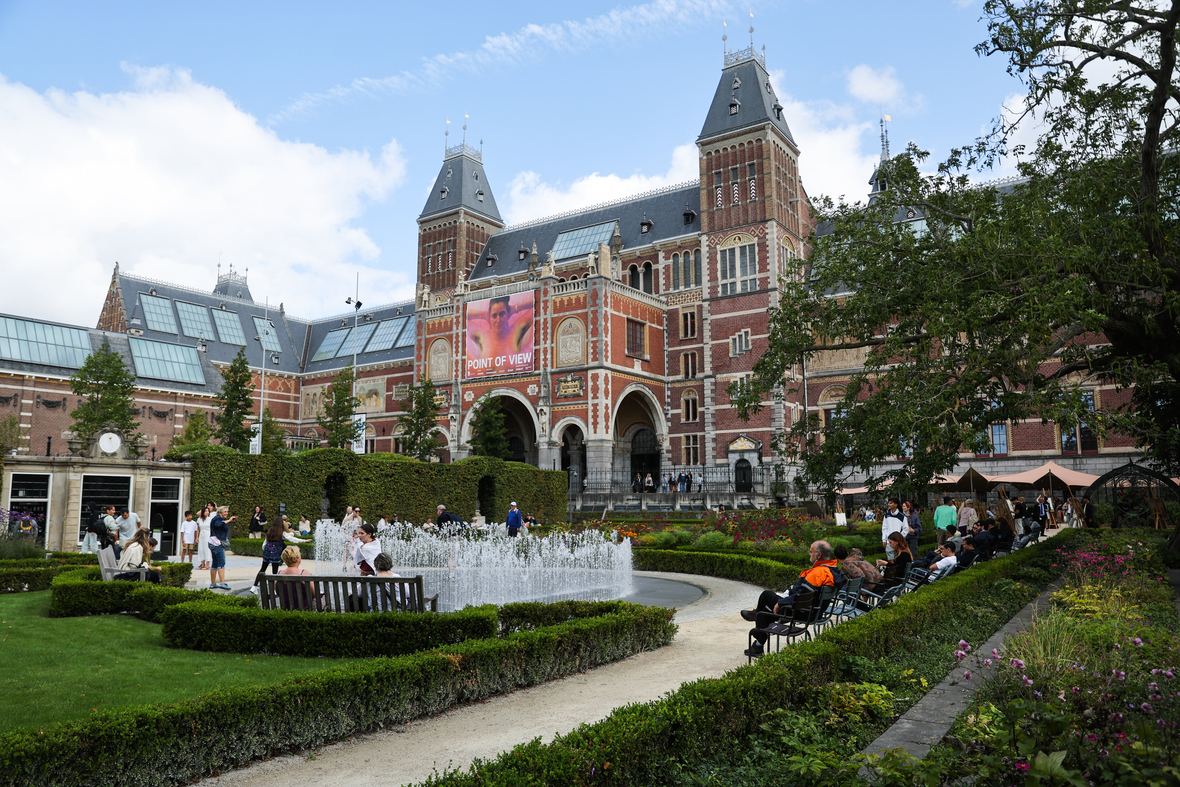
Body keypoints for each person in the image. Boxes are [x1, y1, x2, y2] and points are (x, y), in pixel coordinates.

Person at [739, 540, 844, 657]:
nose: (809, 553)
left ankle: (756, 615)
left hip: (803, 612)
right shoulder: (833, 570)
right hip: (814, 611)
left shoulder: (818, 573)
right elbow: (804, 595)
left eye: (811, 551)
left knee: (766, 595)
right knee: (765, 614)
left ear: (818, 555)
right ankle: (757, 646)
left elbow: (802, 597)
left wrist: (781, 603)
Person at [276, 545, 319, 610]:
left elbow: (278, 593)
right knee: (323, 598)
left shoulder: (279, 574)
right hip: (304, 608)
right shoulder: (304, 573)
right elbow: (315, 594)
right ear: (297, 558)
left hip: (287, 608)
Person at [208, 505, 235, 590]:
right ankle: (222, 583)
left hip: (212, 542)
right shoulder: (217, 519)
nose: (226, 513)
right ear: (220, 512)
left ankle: (213, 583)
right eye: (225, 512)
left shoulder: (218, 518)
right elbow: (218, 525)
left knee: (215, 563)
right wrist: (229, 520)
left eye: (227, 512)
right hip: (217, 543)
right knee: (221, 562)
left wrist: (228, 521)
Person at [254, 520, 287, 589]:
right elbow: (292, 539)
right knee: (275, 572)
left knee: (262, 569)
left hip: (267, 554)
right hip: (275, 555)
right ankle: (274, 589)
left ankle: (254, 586)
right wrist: (304, 541)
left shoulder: (269, 532)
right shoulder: (281, 533)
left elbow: (264, 545)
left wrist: (266, 552)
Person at [196, 503, 214, 571]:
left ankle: (207, 565)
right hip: (201, 535)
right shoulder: (199, 519)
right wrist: (197, 537)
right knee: (201, 549)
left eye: (208, 511)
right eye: (206, 511)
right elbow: (198, 529)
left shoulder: (210, 519)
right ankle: (202, 564)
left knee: (207, 549)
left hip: (208, 534)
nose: (207, 512)